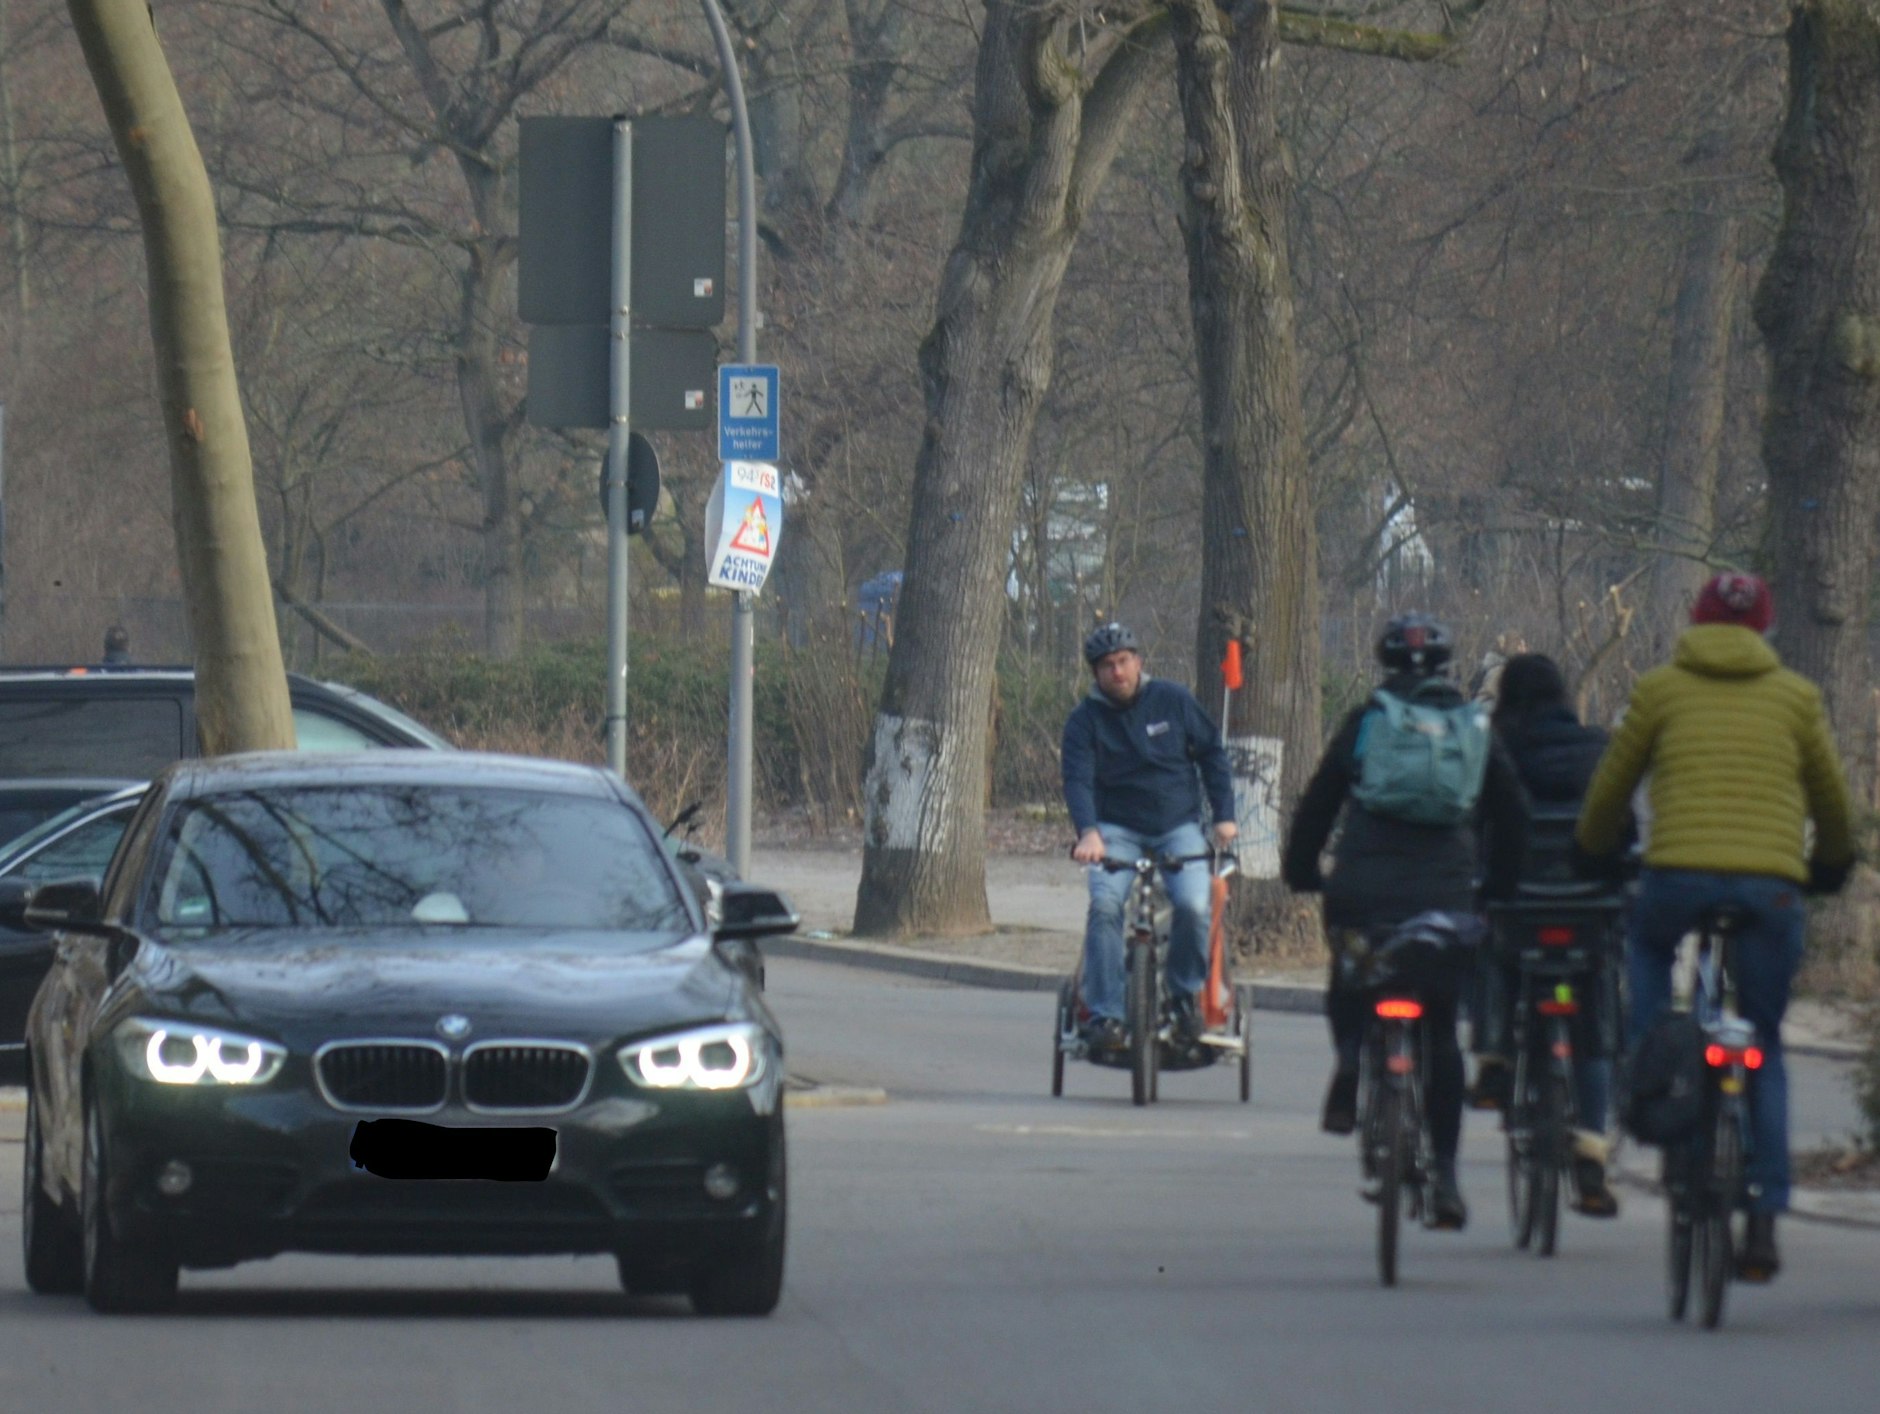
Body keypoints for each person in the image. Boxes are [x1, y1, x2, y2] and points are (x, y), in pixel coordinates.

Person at [1576, 571, 1855, 1282]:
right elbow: (1830, 797)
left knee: (1644, 946)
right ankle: (1765, 1211)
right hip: (1770, 890)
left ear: (1696, 624)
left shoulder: (1662, 691)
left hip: (1678, 879)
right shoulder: (1797, 698)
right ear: (1766, 630)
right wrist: (1826, 865)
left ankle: (1653, 1057)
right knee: (1762, 1038)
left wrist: (1596, 846)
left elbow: (1613, 785)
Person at [1283, 612, 1529, 1229]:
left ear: (1385, 664)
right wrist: (1497, 886)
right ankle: (1444, 1177)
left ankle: (1347, 1063)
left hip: (1364, 888)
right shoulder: (1473, 729)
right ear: (1447, 667)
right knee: (1441, 1031)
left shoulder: (1367, 723)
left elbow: (1318, 805)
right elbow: (1514, 815)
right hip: (1445, 895)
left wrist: (1303, 872)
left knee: (1351, 968)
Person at [1471, 652, 1624, 1216]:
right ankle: (1591, 1149)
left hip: (1520, 908)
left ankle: (1494, 1058)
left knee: (1495, 956)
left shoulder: (1497, 749)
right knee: (1595, 1020)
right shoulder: (1597, 748)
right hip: (1587, 911)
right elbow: (1621, 830)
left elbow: (1477, 827)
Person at [1061, 622, 1238, 1052]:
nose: (1117, 672)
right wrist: (1088, 834)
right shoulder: (1084, 721)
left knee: (1194, 905)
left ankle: (1183, 996)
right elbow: (1078, 780)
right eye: (1107, 666)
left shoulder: (1173, 701)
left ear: (1139, 661)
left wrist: (1224, 817)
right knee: (1104, 906)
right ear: (1095, 673)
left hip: (1177, 828)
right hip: (1114, 832)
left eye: (1123, 662)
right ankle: (1106, 1014)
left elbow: (1213, 755)